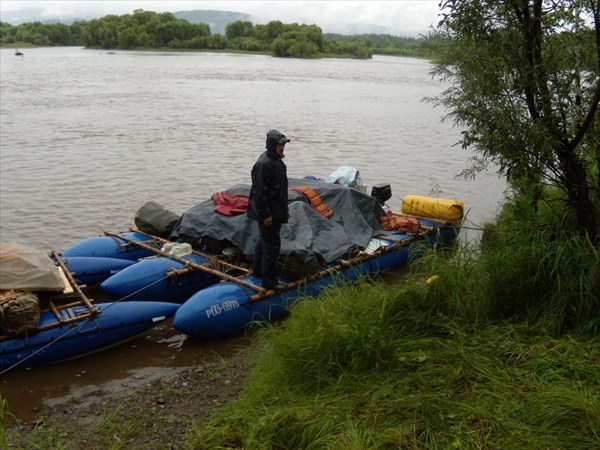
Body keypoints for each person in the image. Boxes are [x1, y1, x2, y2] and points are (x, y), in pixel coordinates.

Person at [247, 129, 291, 291]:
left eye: (284, 145)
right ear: (272, 145)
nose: (283, 148)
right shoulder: (264, 164)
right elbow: (259, 192)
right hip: (267, 213)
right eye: (280, 145)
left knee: (264, 241)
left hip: (275, 211)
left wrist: (284, 210)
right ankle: (269, 281)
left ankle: (258, 272)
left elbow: (279, 190)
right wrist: (265, 214)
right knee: (271, 245)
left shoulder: (277, 161)